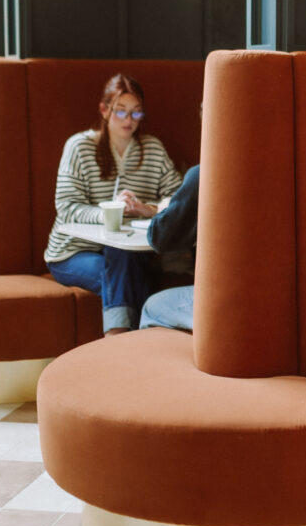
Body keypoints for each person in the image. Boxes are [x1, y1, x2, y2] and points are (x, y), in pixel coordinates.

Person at [45, 74, 182, 335]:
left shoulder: (152, 149)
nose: (129, 121)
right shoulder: (79, 147)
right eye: (121, 112)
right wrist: (110, 212)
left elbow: (177, 198)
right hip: (72, 252)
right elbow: (66, 206)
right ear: (104, 110)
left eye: (136, 113)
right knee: (119, 270)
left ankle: (120, 345)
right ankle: (127, 341)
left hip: (129, 251)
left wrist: (148, 209)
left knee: (121, 256)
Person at [138, 164, 199, 331]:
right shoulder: (276, 171)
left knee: (152, 307)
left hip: (228, 302)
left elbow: (161, 239)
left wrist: (165, 209)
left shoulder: (205, 174)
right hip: (275, 300)